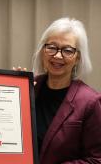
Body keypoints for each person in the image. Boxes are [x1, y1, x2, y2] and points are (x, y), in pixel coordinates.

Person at [31, 17, 101, 163]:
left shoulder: (90, 101)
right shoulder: (30, 88)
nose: (57, 55)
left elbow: (97, 159)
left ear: (77, 58)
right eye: (51, 47)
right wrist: (13, 90)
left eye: (67, 50)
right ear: (43, 51)